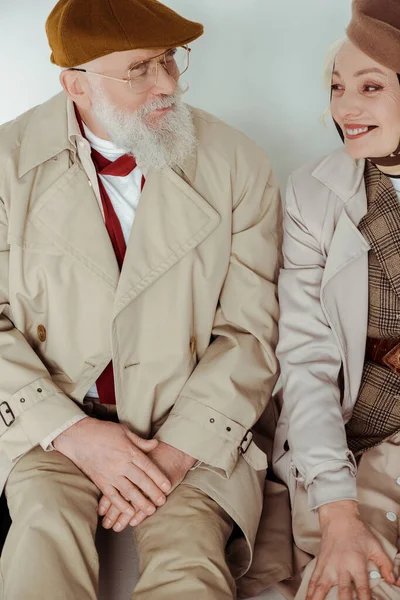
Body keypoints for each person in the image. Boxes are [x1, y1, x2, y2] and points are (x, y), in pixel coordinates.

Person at [0, 0, 283, 598]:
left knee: (189, 560)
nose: (166, 85)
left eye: (169, 62)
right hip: (50, 420)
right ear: (74, 84)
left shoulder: (239, 163)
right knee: (43, 529)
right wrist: (71, 432)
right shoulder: (5, 165)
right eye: (139, 70)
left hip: (188, 424)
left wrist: (178, 450)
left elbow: (250, 333)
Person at [273, 0, 400, 598]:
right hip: (353, 434)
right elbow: (306, 359)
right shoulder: (311, 194)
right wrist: (338, 510)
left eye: (370, 86)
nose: (343, 108)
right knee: (355, 586)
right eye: (336, 87)